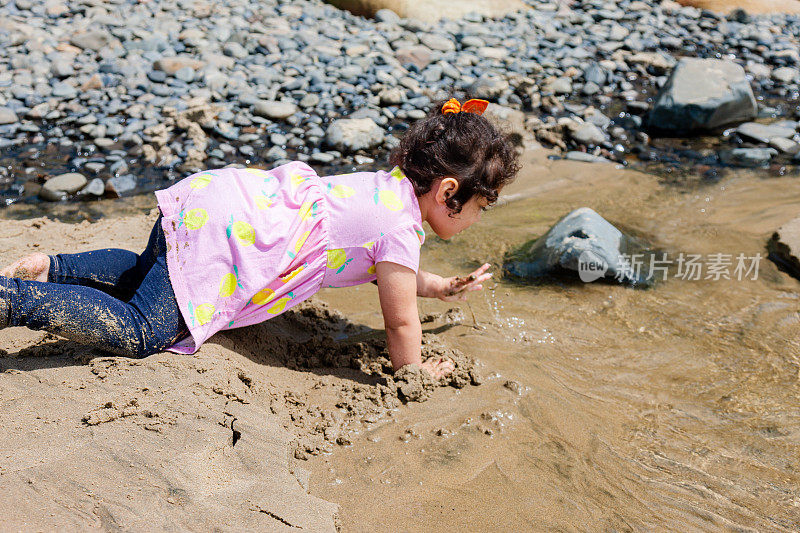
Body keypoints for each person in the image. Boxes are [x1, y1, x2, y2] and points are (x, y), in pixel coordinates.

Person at [0, 98, 519, 377]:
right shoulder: (402, 228)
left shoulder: (388, 194)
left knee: (147, 268)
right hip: (226, 241)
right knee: (144, 329)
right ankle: (14, 300)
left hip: (219, 202)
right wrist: (415, 369)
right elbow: (400, 318)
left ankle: (56, 269)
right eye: (480, 207)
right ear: (448, 192)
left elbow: (401, 280)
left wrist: (442, 287)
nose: (477, 220)